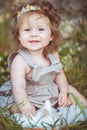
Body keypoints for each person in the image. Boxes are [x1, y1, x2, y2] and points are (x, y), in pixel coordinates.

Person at [0, 0, 87, 118]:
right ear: (19, 36)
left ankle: (84, 107)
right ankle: (35, 119)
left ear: (51, 35)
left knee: (70, 90)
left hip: (51, 92)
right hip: (30, 97)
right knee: (20, 110)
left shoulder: (53, 54)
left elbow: (59, 74)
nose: (33, 34)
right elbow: (18, 87)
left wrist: (63, 91)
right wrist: (25, 106)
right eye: (27, 30)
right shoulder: (20, 60)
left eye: (40, 29)